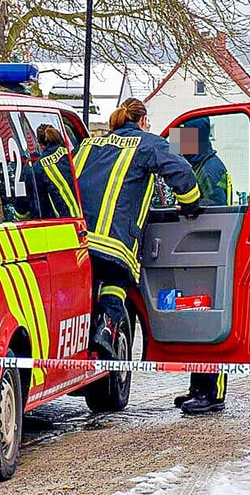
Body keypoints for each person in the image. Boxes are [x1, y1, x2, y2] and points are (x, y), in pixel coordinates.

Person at [74, 98, 201, 362]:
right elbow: (182, 170)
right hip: (114, 242)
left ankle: (86, 336)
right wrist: (190, 204)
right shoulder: (148, 143)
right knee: (117, 279)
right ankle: (106, 328)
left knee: (90, 284)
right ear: (142, 121)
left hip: (77, 240)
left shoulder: (88, 144)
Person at [171, 116, 230, 415]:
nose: (178, 144)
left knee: (208, 323)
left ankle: (213, 392)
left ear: (197, 138)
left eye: (182, 138)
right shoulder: (198, 165)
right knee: (197, 322)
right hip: (197, 252)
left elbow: (213, 210)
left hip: (210, 252)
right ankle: (198, 388)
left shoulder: (211, 169)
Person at [31, 124, 80, 219]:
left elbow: (37, 204)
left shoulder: (38, 167)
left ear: (40, 145)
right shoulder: (76, 154)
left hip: (66, 223)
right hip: (89, 217)